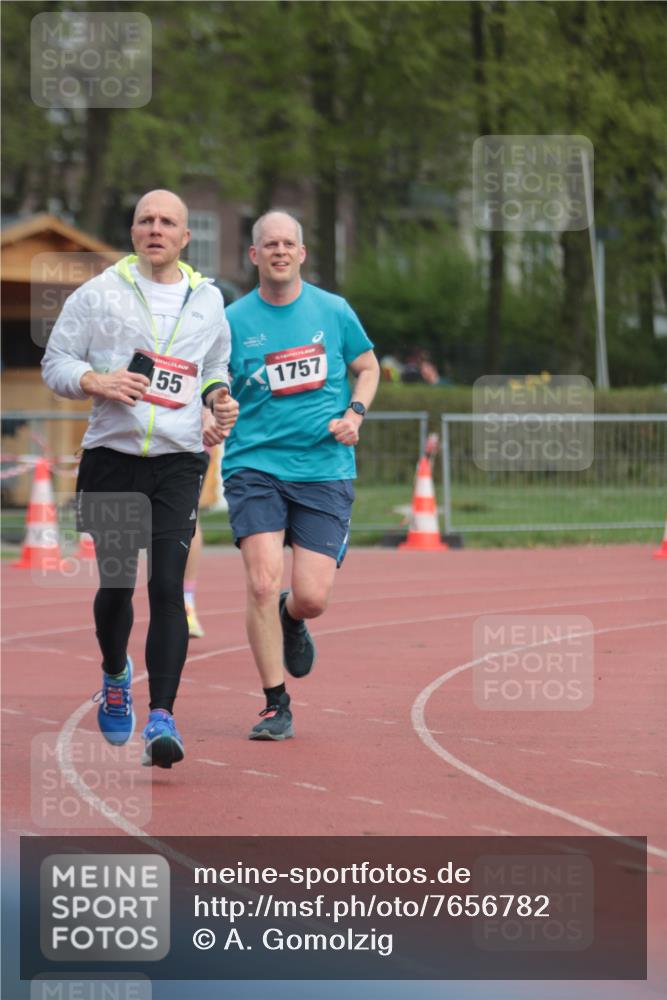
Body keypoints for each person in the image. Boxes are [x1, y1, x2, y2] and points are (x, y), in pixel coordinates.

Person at [41, 189, 238, 768]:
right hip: (113, 458)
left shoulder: (208, 300)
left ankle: (163, 717)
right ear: (133, 233)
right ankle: (114, 673)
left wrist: (219, 400)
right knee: (118, 589)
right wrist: (96, 381)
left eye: (168, 222)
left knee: (168, 588)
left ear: (184, 238)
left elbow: (215, 366)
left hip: (178, 461)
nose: (156, 228)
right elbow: (56, 362)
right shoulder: (99, 293)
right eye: (145, 220)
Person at [222, 210, 380, 740]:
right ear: (255, 255)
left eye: (289, 243)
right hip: (254, 465)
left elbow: (369, 366)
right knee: (262, 581)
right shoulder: (233, 320)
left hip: (322, 467)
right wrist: (212, 408)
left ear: (302, 253)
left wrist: (354, 413)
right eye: (270, 245)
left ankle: (295, 619)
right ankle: (275, 704)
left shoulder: (333, 311)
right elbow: (213, 383)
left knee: (310, 596)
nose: (280, 251)